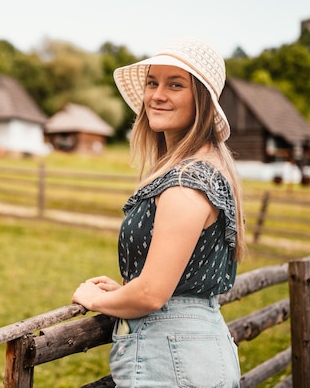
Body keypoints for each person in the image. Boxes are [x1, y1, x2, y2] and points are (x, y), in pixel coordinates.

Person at [71, 37, 246, 388]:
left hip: (172, 359)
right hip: (192, 352)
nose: (157, 95)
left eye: (175, 85)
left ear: (203, 102)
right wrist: (125, 291)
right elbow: (167, 279)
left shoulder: (186, 180)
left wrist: (95, 300)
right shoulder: (204, 168)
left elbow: (153, 295)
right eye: (153, 82)